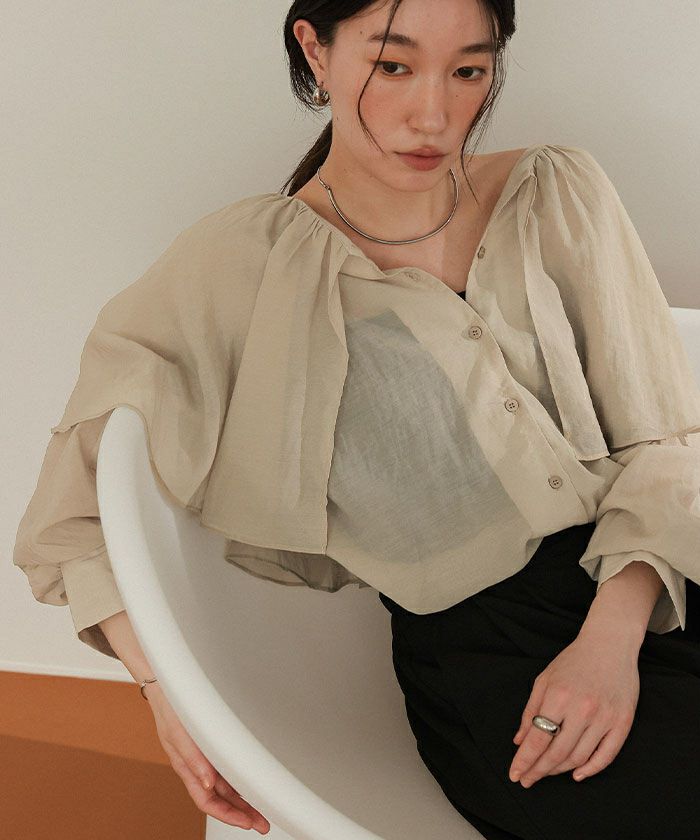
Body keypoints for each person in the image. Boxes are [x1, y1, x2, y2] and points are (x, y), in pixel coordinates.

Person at [12, 1, 700, 837]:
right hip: (504, 661)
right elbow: (72, 520)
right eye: (393, 66)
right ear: (316, 50)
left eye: (469, 70)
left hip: (661, 568)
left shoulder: (555, 191)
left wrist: (612, 639)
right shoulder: (242, 265)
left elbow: (665, 437)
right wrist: (168, 695)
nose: (434, 115)